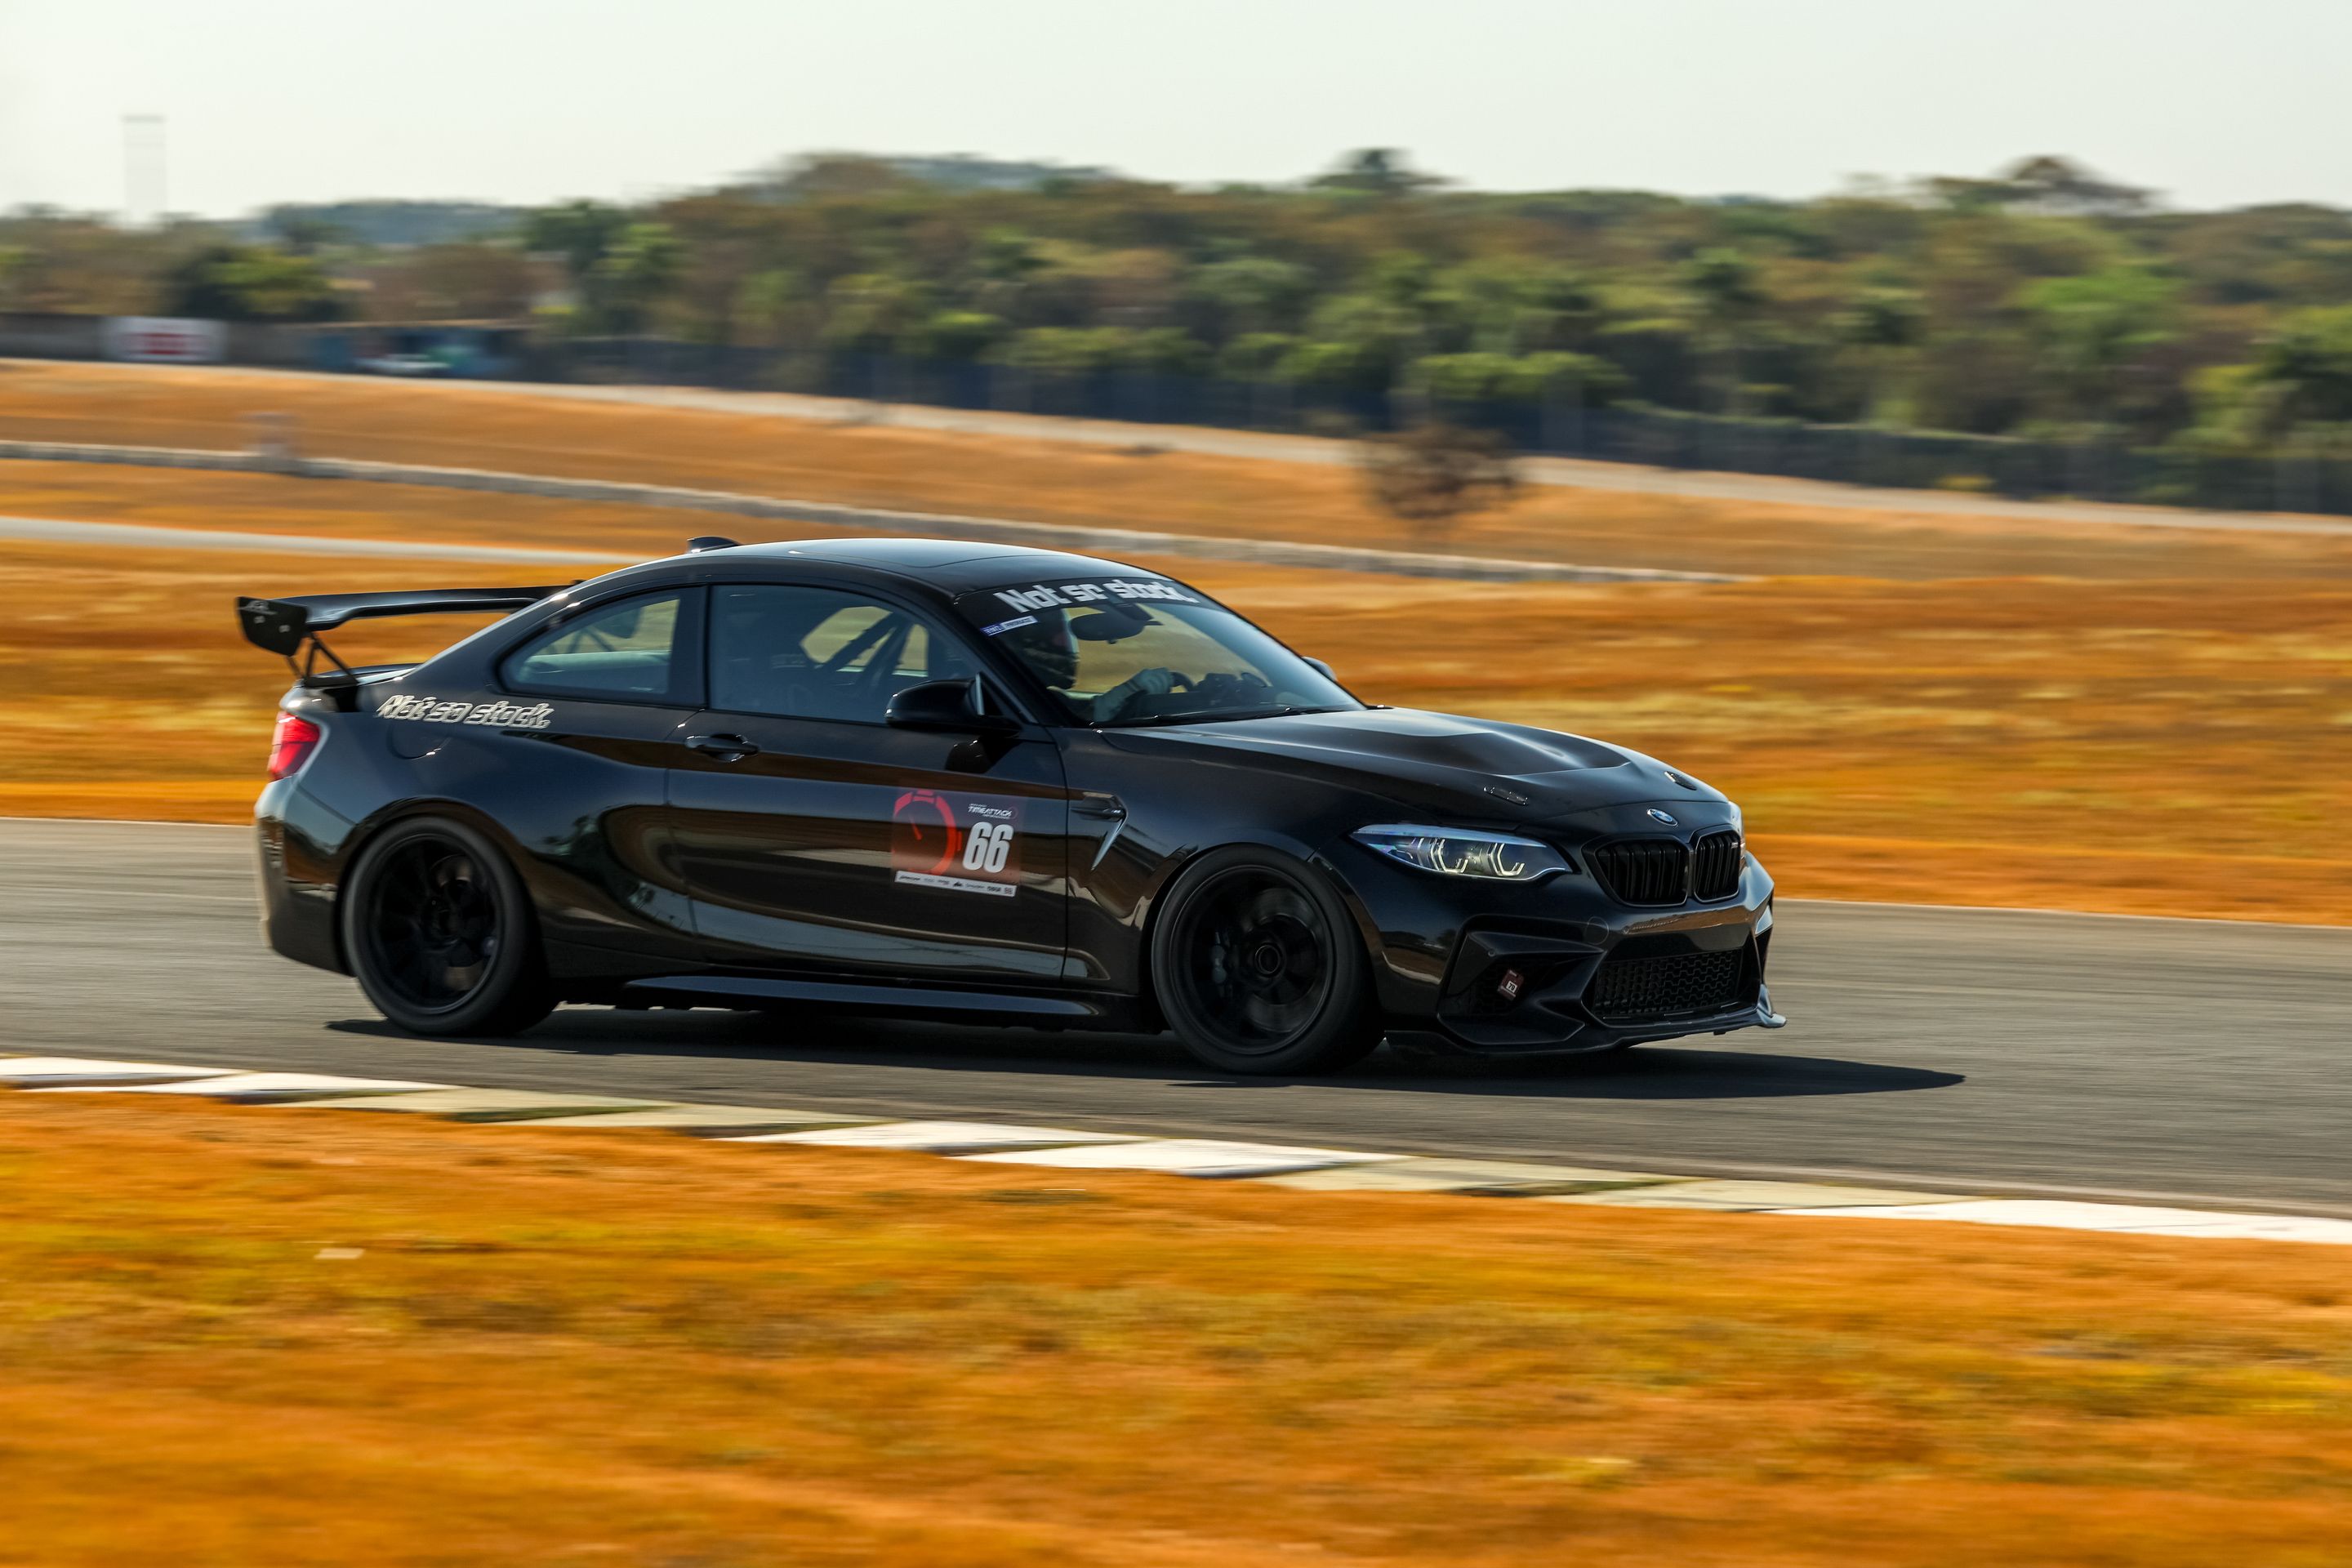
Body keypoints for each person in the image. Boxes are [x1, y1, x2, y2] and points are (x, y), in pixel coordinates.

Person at [1000, 608, 1183, 723]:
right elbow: (1067, 733)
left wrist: (1115, 700)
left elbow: (1074, 712)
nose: (1065, 643)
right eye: (1053, 633)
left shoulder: (1049, 699)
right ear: (1023, 639)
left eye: (1065, 633)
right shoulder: (1005, 706)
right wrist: (1117, 699)